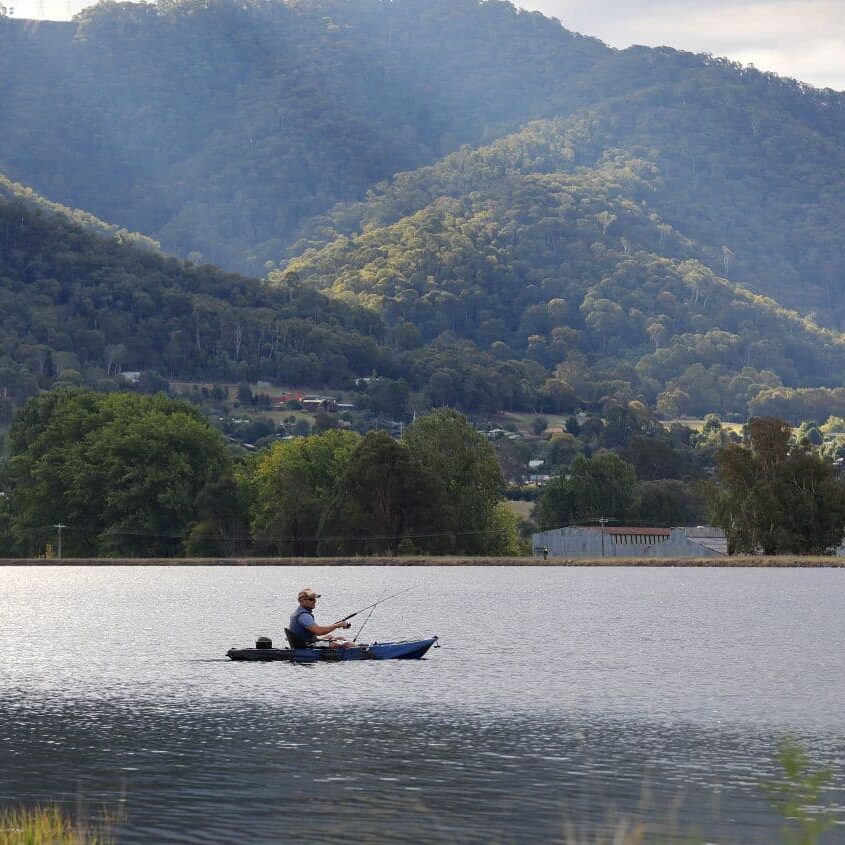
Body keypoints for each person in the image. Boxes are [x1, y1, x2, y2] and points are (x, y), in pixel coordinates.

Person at [288, 587, 353, 649]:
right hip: (307, 645)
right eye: (311, 599)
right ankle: (359, 648)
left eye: (315, 599)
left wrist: (337, 625)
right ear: (302, 600)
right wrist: (336, 625)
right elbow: (319, 632)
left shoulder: (298, 613)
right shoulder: (304, 616)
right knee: (345, 644)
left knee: (337, 638)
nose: (315, 601)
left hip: (305, 643)